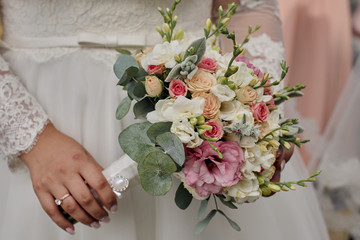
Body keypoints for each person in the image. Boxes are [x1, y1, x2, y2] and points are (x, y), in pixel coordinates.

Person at [0, 0, 329, 239]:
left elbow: (248, 7)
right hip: (41, 107)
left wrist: (254, 102)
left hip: (198, 112)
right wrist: (33, 139)